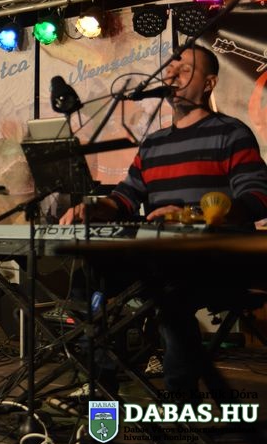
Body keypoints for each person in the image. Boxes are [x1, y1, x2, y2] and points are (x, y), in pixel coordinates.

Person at [58, 45, 267, 404]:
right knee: (87, 280)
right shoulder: (153, 144)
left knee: (171, 291)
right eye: (169, 69)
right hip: (162, 259)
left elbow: (257, 198)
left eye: (184, 70)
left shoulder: (232, 133)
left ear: (209, 83)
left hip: (219, 262)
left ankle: (181, 397)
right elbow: (124, 198)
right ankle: (101, 382)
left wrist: (190, 214)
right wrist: (93, 209)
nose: (172, 75)